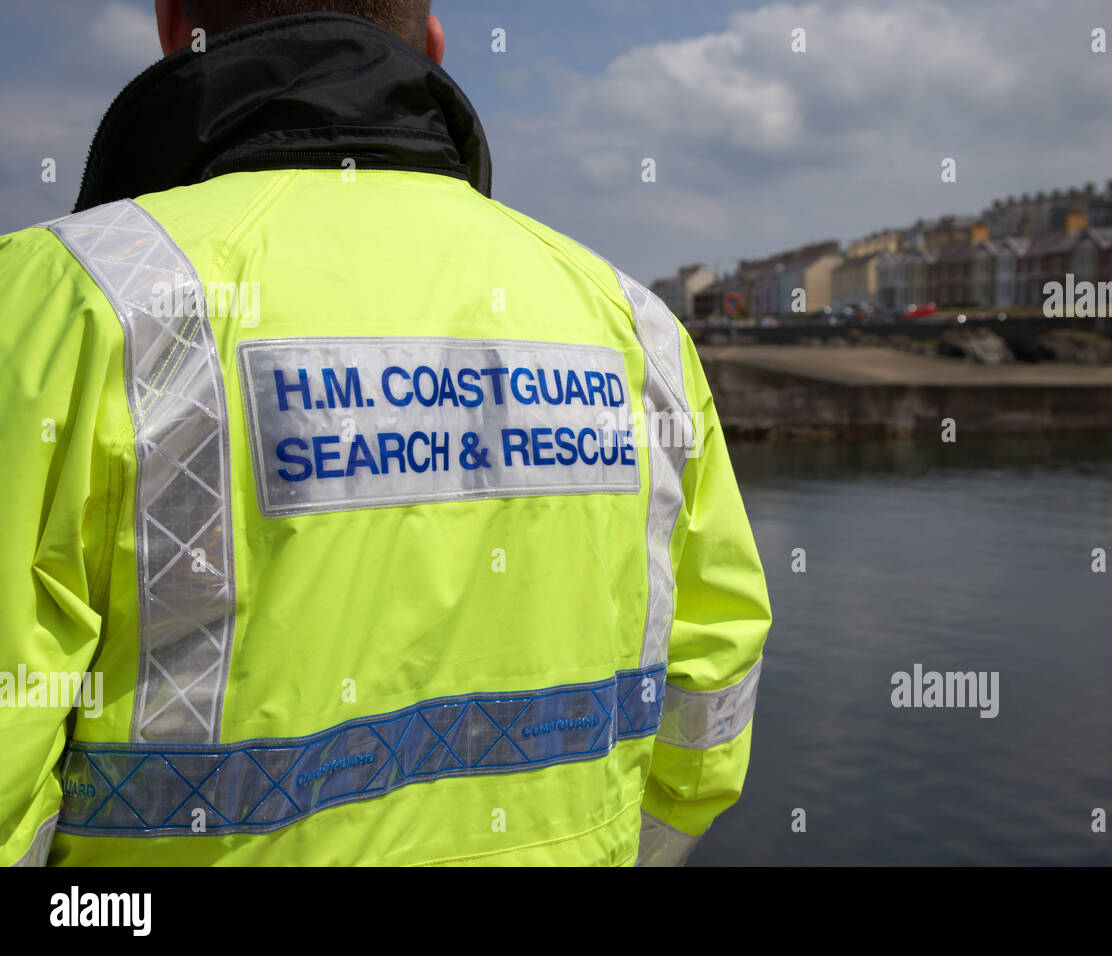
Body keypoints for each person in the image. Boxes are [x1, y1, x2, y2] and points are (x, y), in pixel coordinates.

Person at [0, 0, 770, 866]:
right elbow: (708, 702)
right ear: (434, 44)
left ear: (175, 25)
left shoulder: (62, 305)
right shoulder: (636, 327)